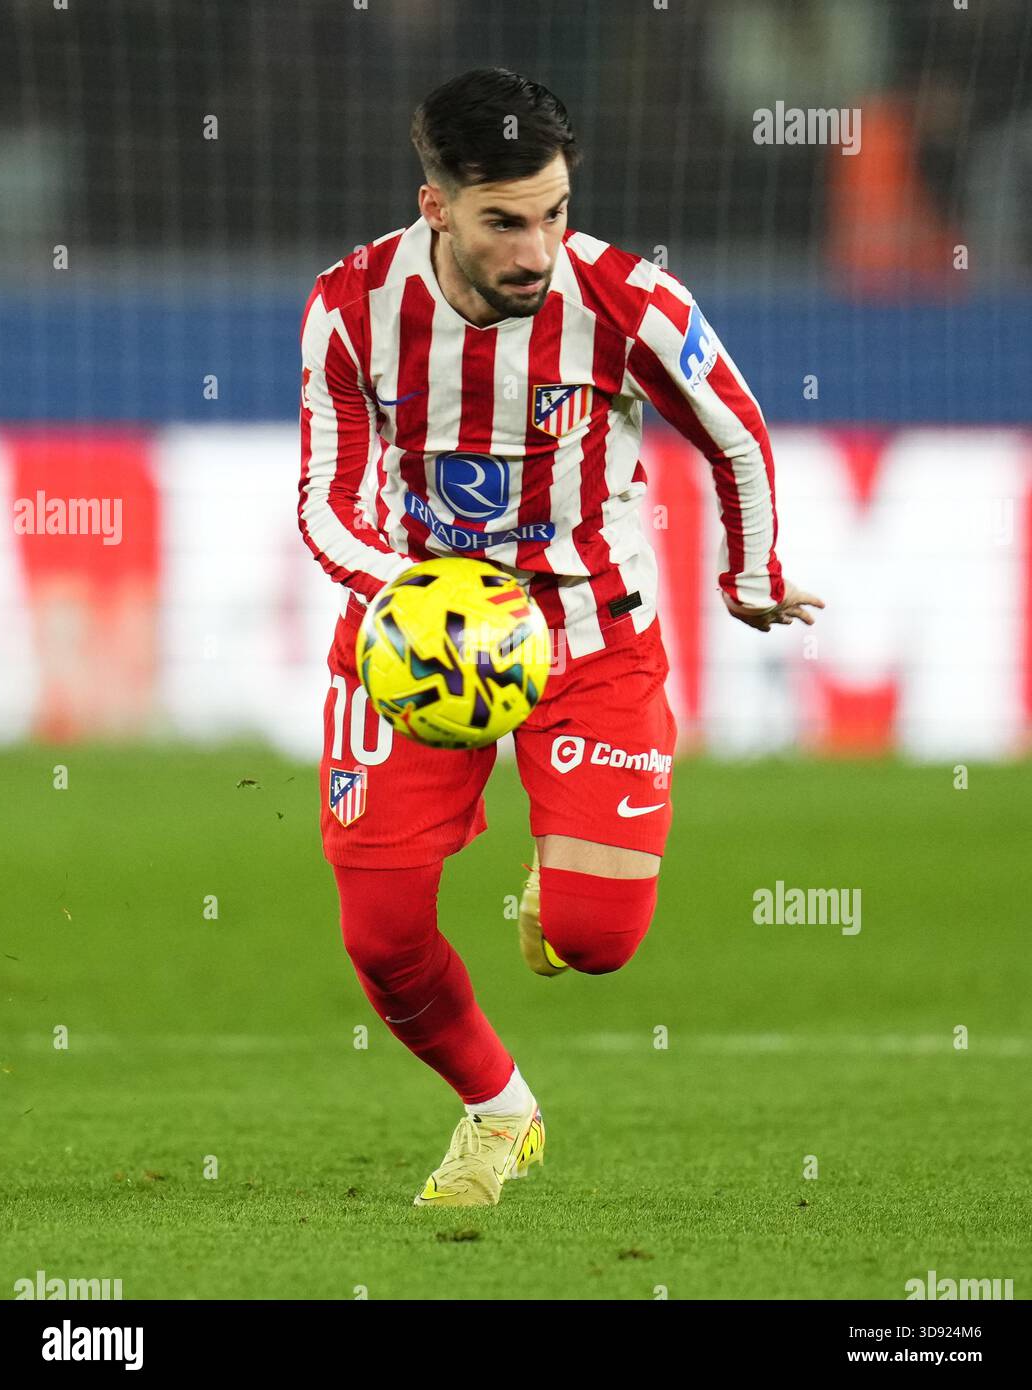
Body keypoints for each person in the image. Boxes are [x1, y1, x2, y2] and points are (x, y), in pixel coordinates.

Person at [298, 67, 823, 1208]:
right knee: (382, 936)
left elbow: (733, 435)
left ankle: (562, 871)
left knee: (594, 941)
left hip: (587, 639)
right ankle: (497, 1111)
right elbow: (323, 500)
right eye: (503, 222)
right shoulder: (349, 308)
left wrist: (749, 575)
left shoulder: (627, 300)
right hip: (415, 653)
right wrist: (410, 592)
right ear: (435, 207)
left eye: (553, 213)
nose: (536, 248)